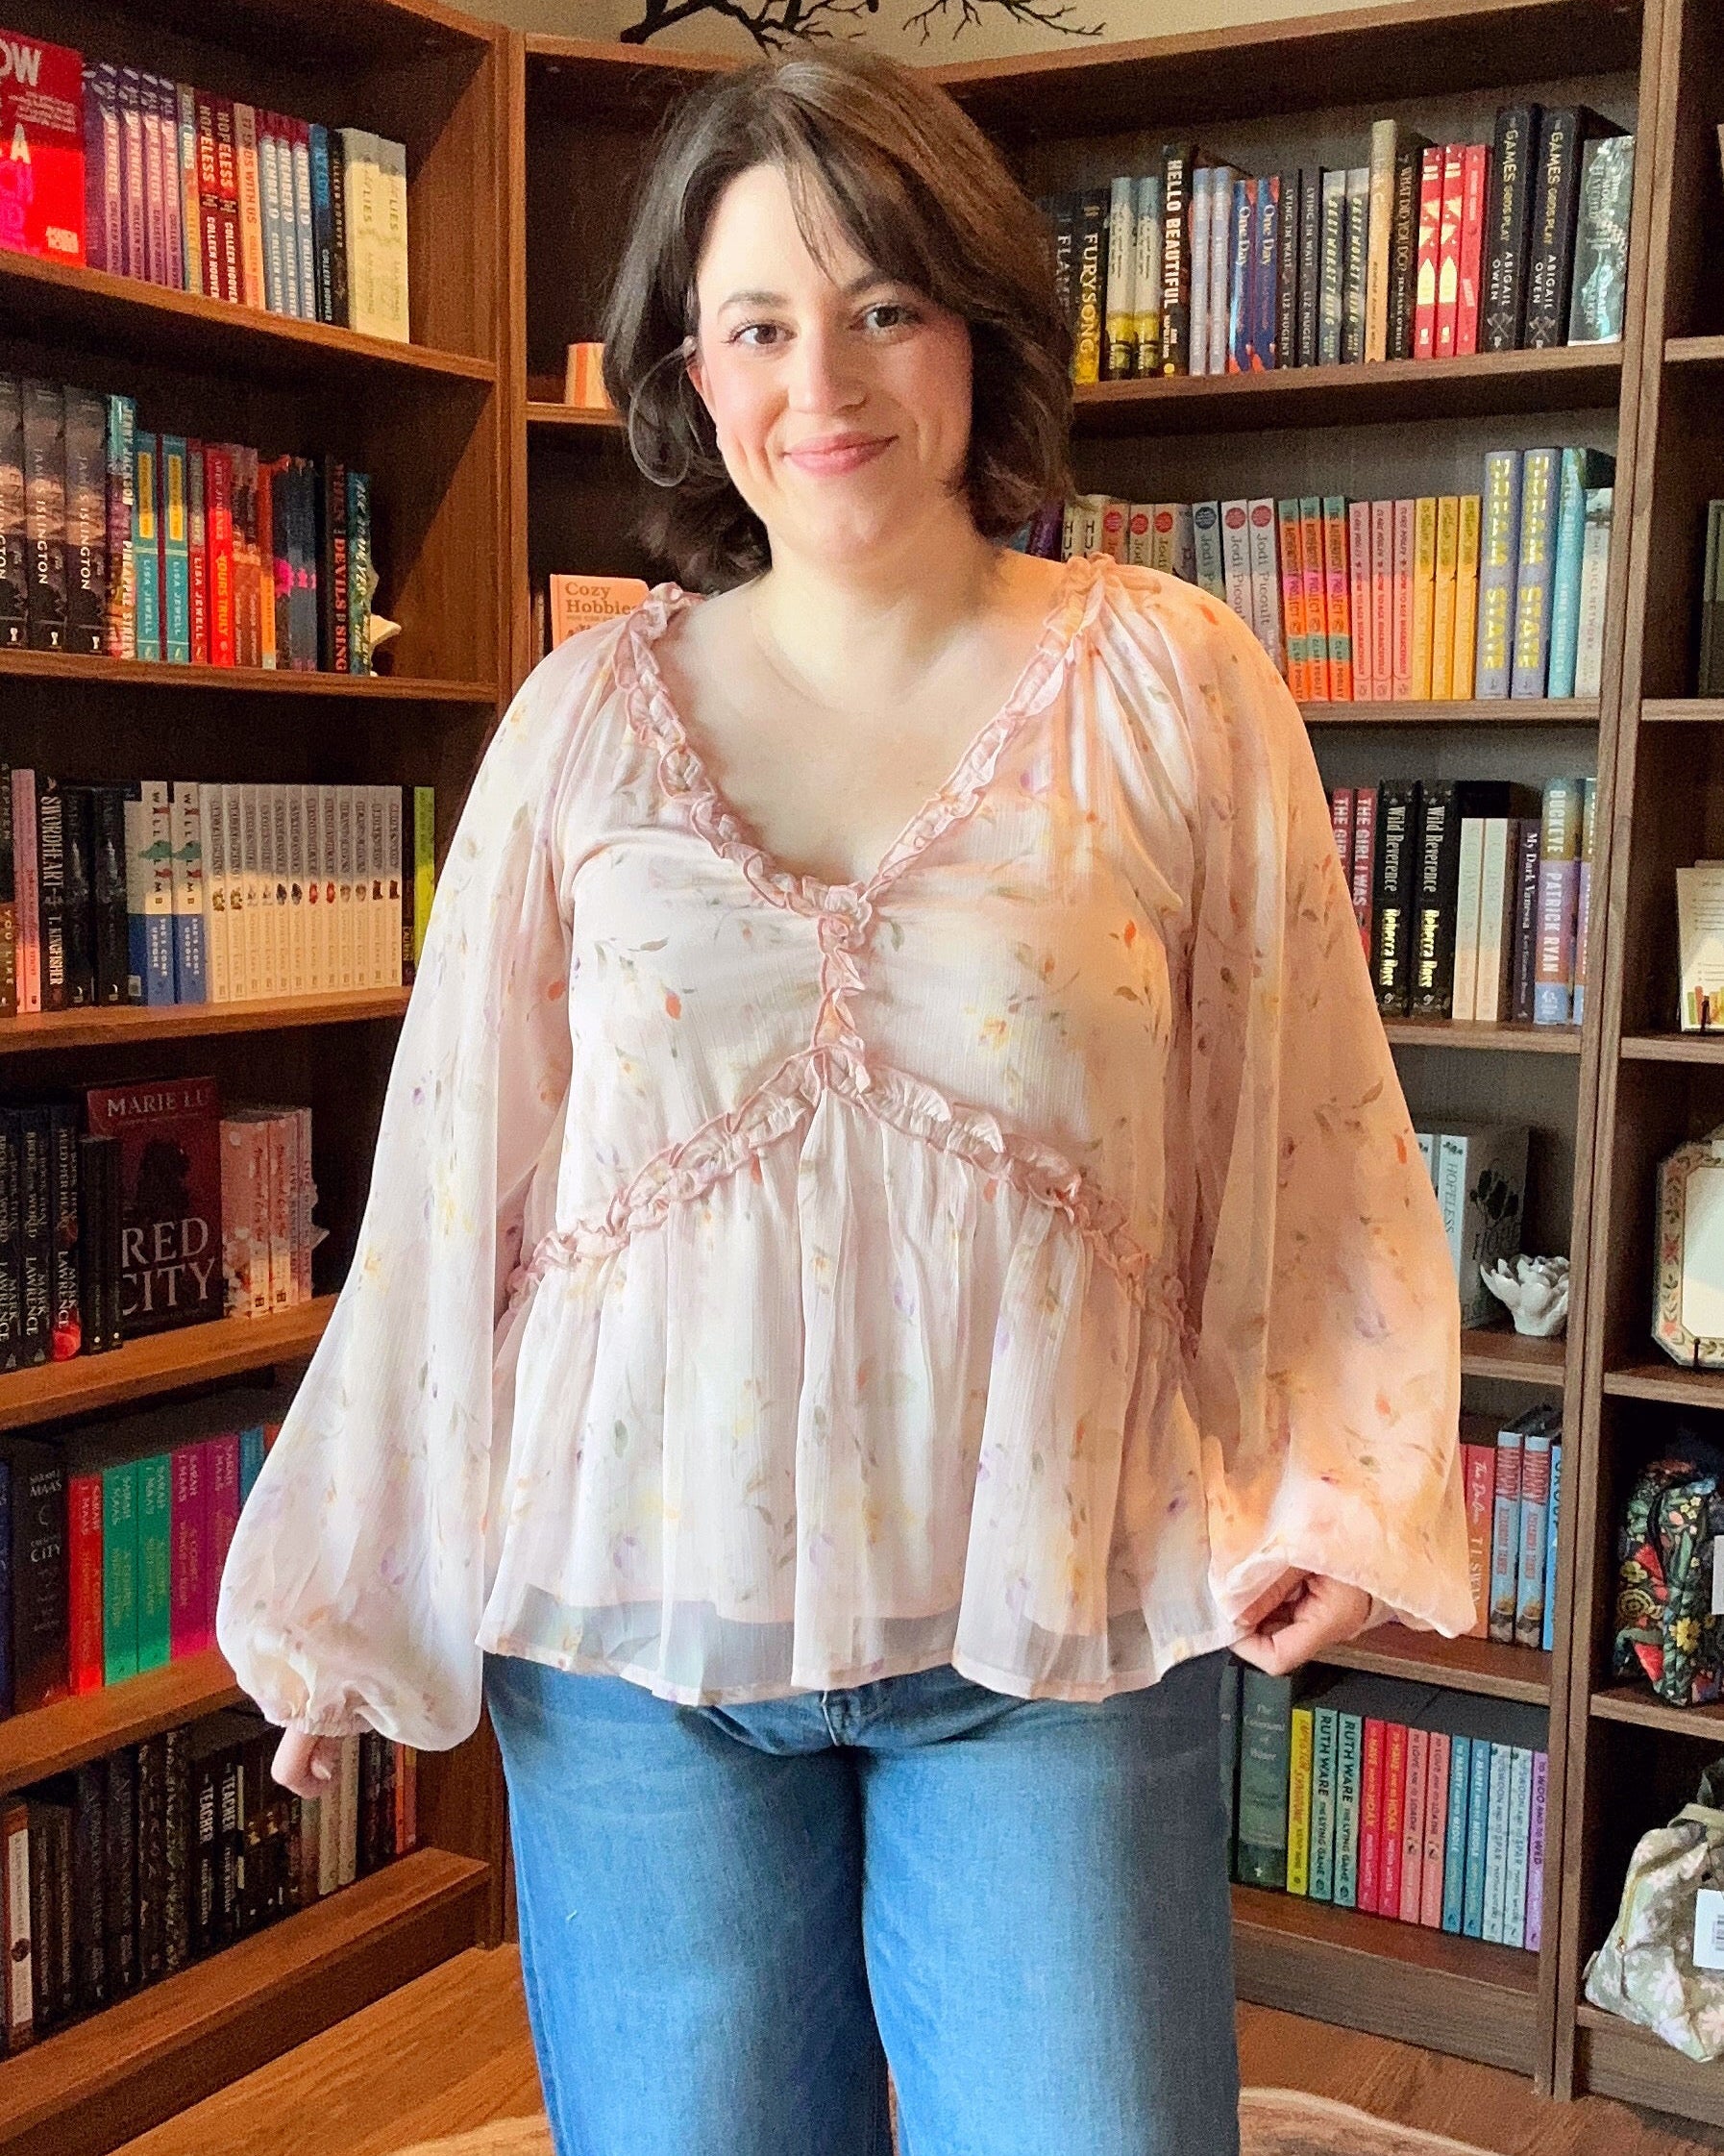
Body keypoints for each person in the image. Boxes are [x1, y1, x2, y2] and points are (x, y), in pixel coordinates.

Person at [216, 44, 1475, 2156]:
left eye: (885, 304)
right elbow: (457, 1181)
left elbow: (1313, 1112)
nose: (830, 379)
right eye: (763, 322)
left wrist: (1340, 1475)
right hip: (632, 1629)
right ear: (689, 374)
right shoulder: (581, 723)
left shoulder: (1169, 680)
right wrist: (352, 1578)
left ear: (977, 326)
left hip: (1061, 1613)